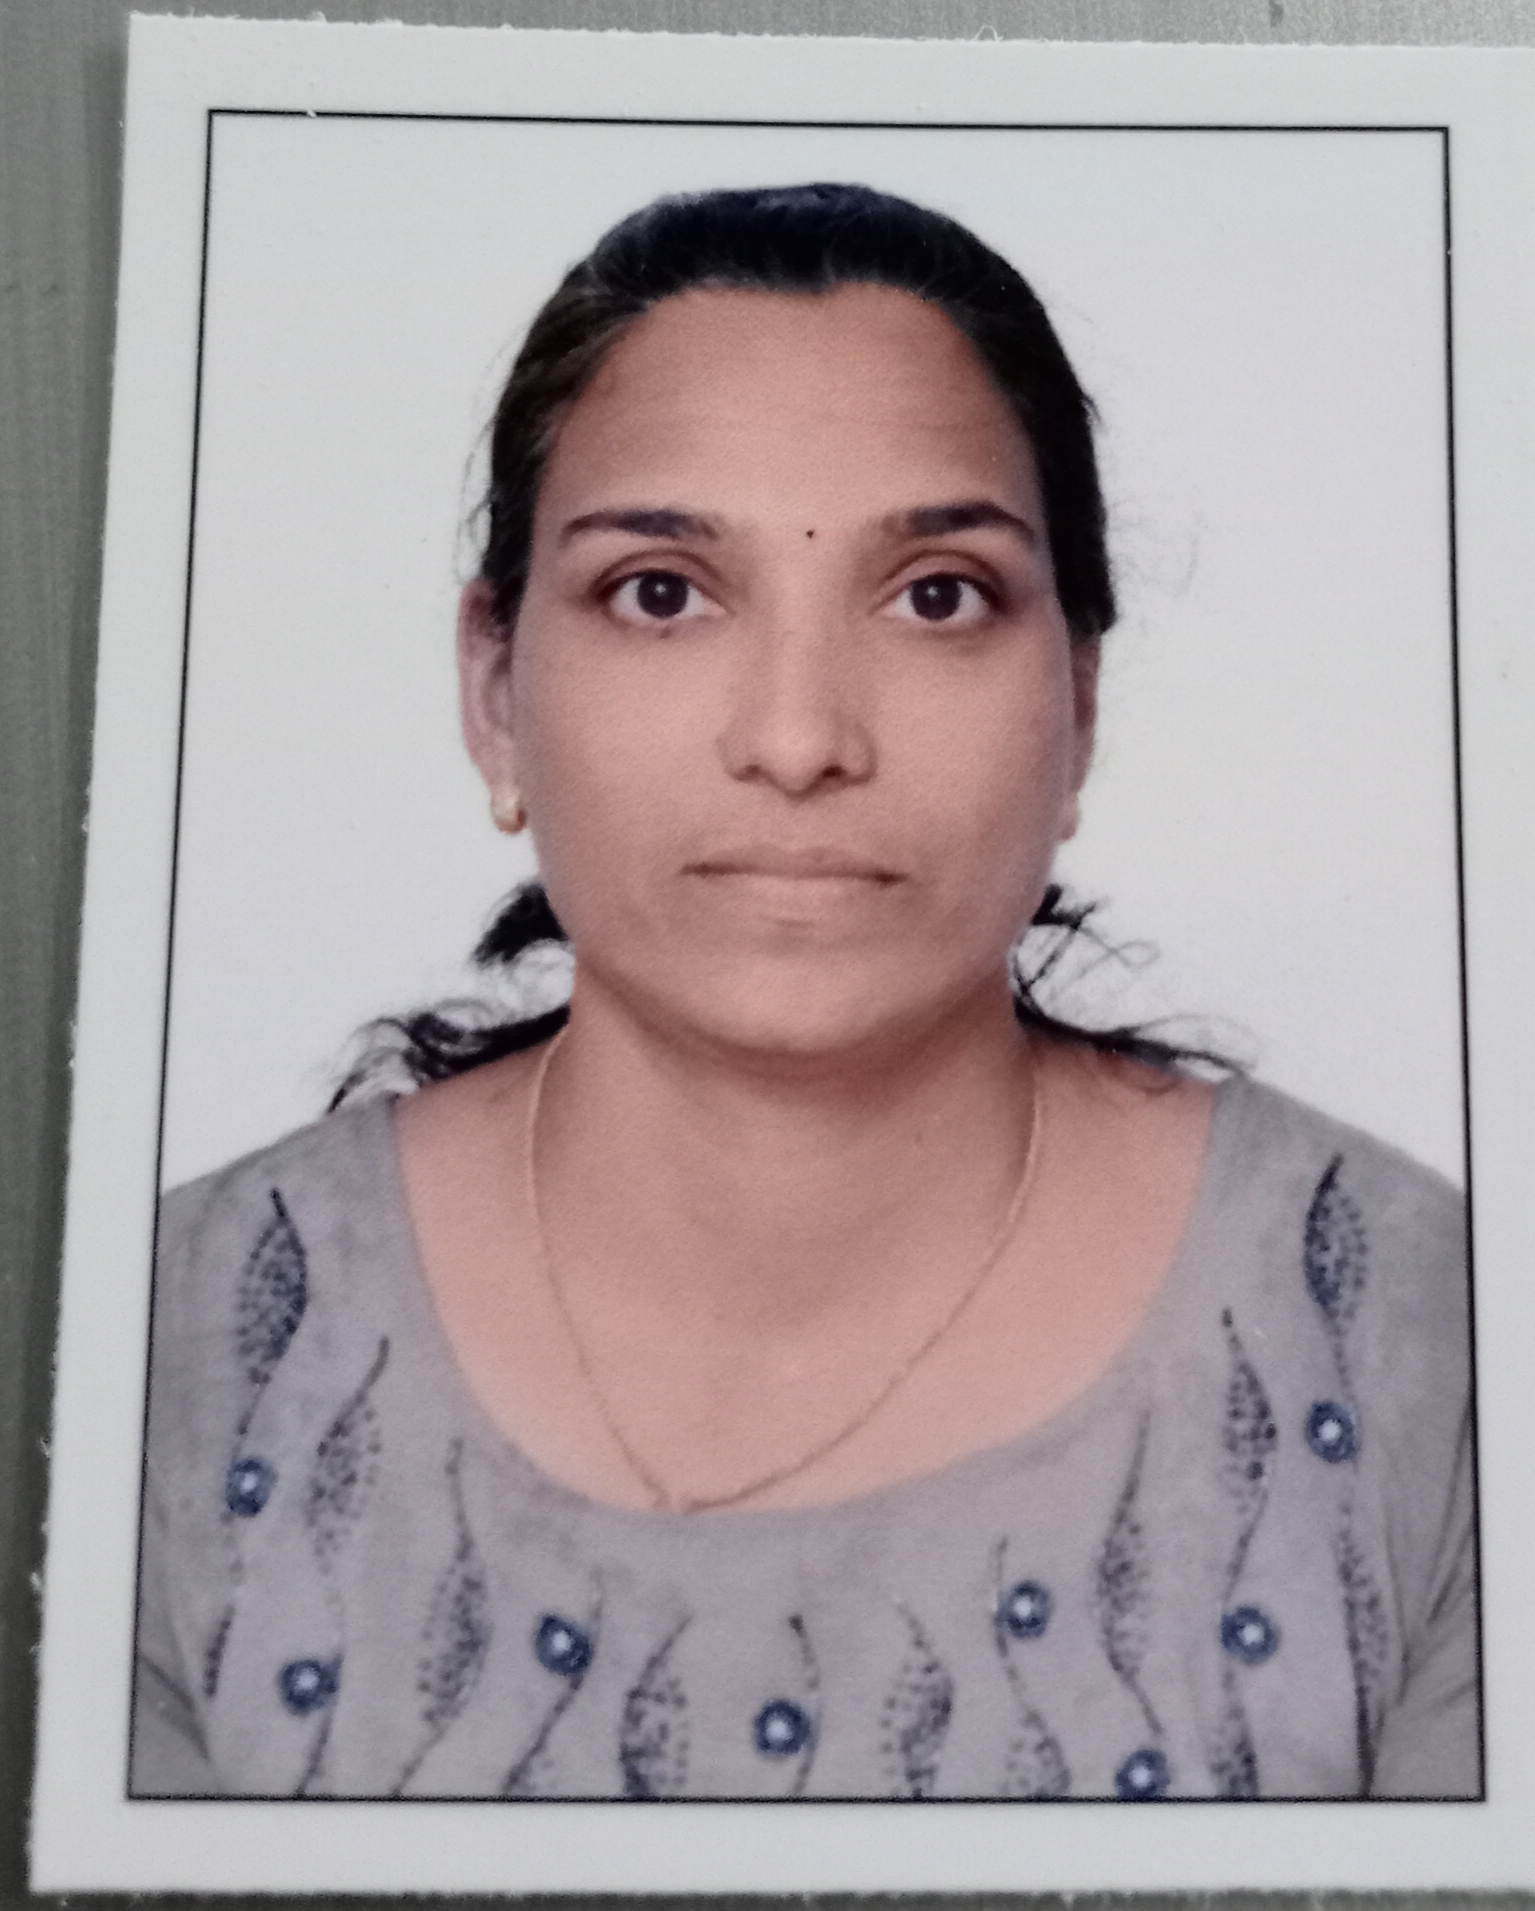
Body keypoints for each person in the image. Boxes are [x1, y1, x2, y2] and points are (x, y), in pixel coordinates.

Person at [132, 183, 1477, 1802]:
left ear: (1079, 700)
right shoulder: (160, 1349)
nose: (796, 740)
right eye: (661, 592)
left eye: (936, 595)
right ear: (493, 691)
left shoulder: (1440, 1341)